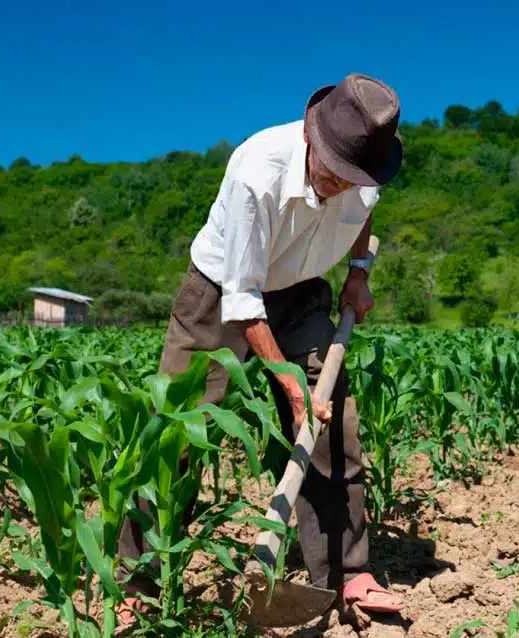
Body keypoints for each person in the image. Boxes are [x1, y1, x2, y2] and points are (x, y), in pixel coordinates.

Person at [115, 73, 405, 626]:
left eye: (352, 179)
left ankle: (345, 574)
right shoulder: (256, 170)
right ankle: (137, 578)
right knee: (177, 430)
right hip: (222, 290)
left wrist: (359, 273)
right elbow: (243, 300)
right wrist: (289, 387)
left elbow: (364, 211)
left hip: (301, 289)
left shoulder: (367, 170)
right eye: (332, 173)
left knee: (333, 423)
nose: (340, 187)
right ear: (310, 137)